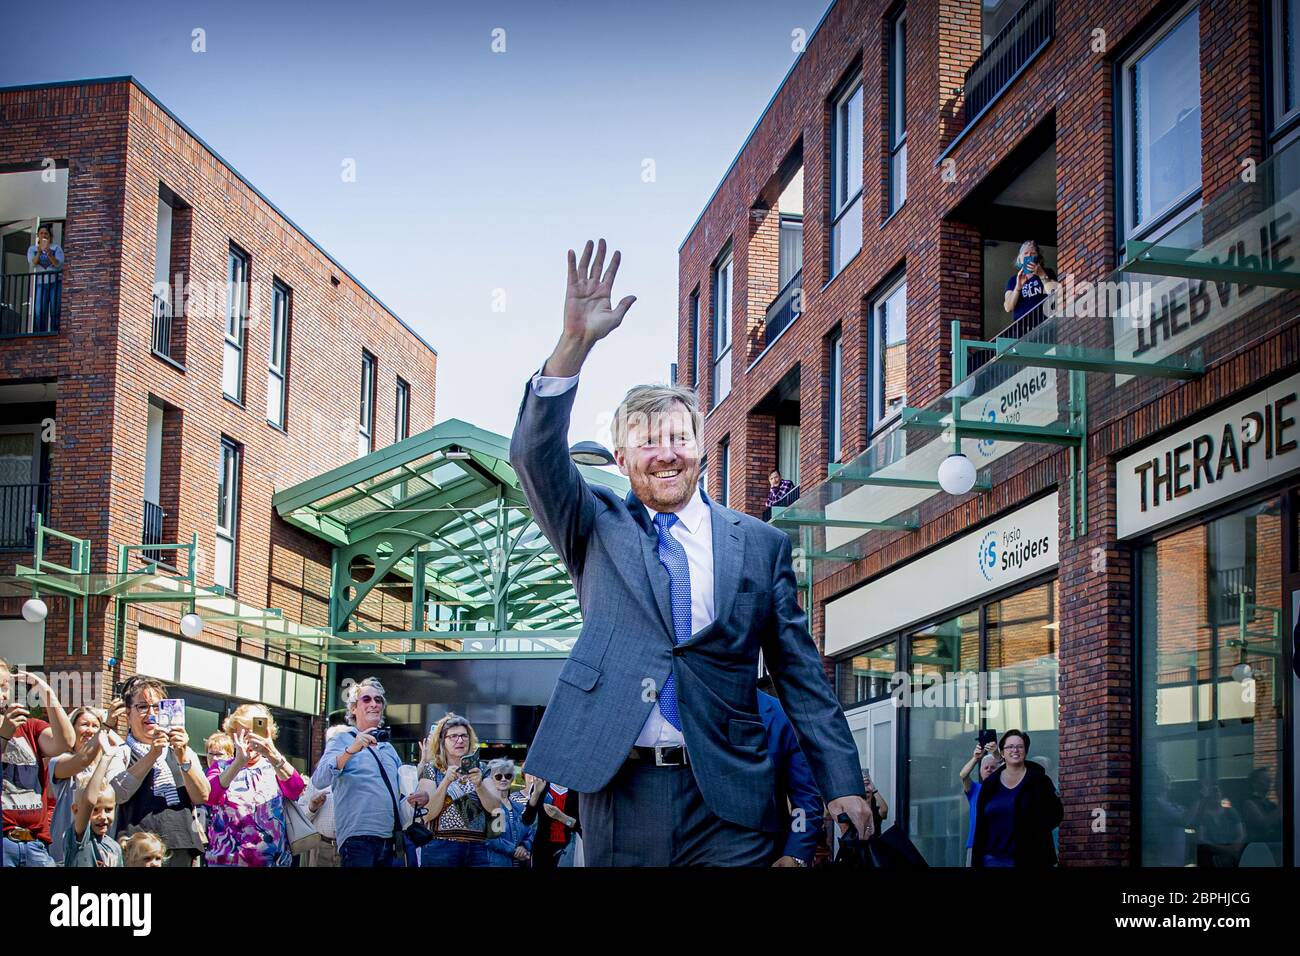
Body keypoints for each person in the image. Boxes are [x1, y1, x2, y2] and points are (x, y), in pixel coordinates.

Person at [508, 239, 870, 866]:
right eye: (647, 442)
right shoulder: (593, 524)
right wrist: (574, 345)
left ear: (702, 447)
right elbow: (534, 458)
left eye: (678, 436)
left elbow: (799, 674)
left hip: (730, 794)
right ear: (621, 460)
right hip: (622, 789)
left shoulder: (760, 545)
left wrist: (840, 781)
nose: (666, 452)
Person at [105, 676, 209, 867]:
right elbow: (116, 795)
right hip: (138, 850)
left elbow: (202, 795)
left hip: (180, 845)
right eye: (142, 707)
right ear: (128, 713)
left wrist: (183, 756)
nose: (151, 714)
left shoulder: (183, 751)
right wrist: (152, 754)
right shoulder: (119, 753)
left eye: (157, 707)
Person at [311, 677, 405, 867]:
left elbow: (401, 792)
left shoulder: (388, 748)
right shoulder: (342, 740)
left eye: (378, 700)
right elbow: (319, 779)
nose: (374, 704)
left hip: (390, 838)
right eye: (366, 699)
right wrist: (351, 751)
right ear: (354, 708)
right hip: (357, 839)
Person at [204, 704, 306, 867]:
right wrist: (238, 763)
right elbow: (209, 796)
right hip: (226, 861)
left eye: (254, 731)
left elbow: (297, 790)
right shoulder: (221, 767)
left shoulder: (274, 766)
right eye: (243, 732)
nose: (250, 738)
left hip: (272, 862)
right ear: (233, 734)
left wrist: (272, 752)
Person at [1, 657, 77, 867]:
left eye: (6, 686)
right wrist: (3, 736)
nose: (5, 694)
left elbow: (66, 742)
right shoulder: (8, 728)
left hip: (35, 843)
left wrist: (47, 694)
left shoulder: (28, 727)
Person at [409, 713, 500, 867]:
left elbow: (496, 808)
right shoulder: (432, 769)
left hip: (476, 848)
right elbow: (428, 814)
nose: (460, 740)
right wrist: (445, 782)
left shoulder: (482, 769)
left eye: (464, 736)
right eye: (453, 736)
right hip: (440, 848)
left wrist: (479, 785)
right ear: (442, 741)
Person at [971, 729, 1063, 867]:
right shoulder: (990, 784)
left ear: (1025, 751)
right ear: (1002, 752)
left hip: (1031, 858)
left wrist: (1034, 833)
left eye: (1020, 746)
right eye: (1010, 747)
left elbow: (1056, 813)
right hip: (993, 859)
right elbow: (981, 824)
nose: (1015, 750)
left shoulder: (1039, 781)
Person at [47, 706, 127, 864]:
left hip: (103, 850)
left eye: (95, 726)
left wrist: (107, 729)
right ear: (72, 728)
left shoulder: (111, 764)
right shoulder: (60, 760)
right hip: (67, 850)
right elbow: (82, 761)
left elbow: (125, 748)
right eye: (84, 724)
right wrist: (106, 727)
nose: (90, 731)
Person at [757, 690, 823, 868]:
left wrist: (796, 854)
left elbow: (805, 796)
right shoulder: (688, 706)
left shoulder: (782, 715)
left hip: (767, 852)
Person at [63, 737, 123, 867]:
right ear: (76, 810)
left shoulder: (115, 847)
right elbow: (89, 801)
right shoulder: (80, 837)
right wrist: (105, 759)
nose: (103, 817)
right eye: (95, 810)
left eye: (108, 810)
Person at [298, 724, 348, 867]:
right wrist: (312, 807)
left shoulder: (359, 776)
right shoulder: (318, 777)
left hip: (349, 849)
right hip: (320, 847)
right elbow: (301, 817)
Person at [520, 773, 580, 868]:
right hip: (541, 850)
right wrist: (536, 792)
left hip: (568, 850)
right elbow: (527, 819)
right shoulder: (541, 784)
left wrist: (561, 817)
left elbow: (580, 827)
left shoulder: (577, 789)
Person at [483, 758, 532, 867]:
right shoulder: (492, 806)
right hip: (496, 863)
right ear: (490, 779)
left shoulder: (519, 807)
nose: (504, 779)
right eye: (498, 776)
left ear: (512, 779)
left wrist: (524, 847)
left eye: (508, 776)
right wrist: (514, 851)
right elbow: (493, 840)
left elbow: (529, 833)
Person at [1002, 240, 1059, 328]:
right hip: (1021, 328)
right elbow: (1008, 307)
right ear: (1020, 259)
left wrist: (1041, 274)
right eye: (1026, 253)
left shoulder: (1047, 272)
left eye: (1032, 253)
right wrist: (1017, 287)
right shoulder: (1014, 280)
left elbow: (1054, 294)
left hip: (1044, 325)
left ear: (1038, 257)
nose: (1029, 255)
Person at [959, 743, 999, 866]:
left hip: (998, 845)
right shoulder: (975, 789)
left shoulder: (1005, 789)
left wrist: (997, 755)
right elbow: (963, 775)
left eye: (993, 767)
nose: (989, 770)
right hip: (975, 843)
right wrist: (976, 758)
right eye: (986, 767)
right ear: (980, 771)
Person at [26, 223, 64, 328]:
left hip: (55, 283)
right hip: (40, 284)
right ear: (38, 235)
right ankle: (40, 334)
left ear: (50, 236)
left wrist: (48, 253)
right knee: (39, 311)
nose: (44, 235)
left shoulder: (56, 248)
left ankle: (54, 332)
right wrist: (39, 252)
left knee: (55, 311)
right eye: (41, 233)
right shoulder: (32, 249)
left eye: (46, 233)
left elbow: (59, 265)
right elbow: (32, 263)